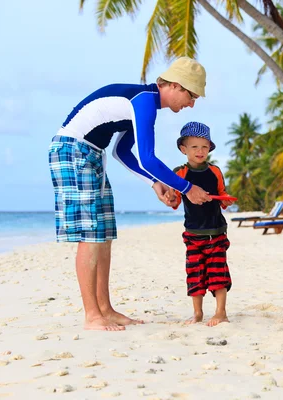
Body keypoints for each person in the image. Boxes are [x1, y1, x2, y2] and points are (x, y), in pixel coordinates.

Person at [48, 57, 212, 331]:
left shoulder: (145, 104)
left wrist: (154, 184)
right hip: (72, 150)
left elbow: (122, 152)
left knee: (104, 234)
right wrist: (187, 188)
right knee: (91, 234)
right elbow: (147, 159)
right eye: (191, 95)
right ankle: (92, 315)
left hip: (92, 154)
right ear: (173, 85)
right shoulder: (144, 101)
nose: (192, 104)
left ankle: (105, 309)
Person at [166, 122, 234, 327]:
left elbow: (222, 198)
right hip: (193, 234)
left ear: (210, 149)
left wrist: (226, 201)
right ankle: (197, 313)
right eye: (194, 147)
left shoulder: (215, 171)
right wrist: (170, 197)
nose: (200, 151)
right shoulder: (179, 173)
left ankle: (221, 312)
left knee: (217, 272)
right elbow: (175, 201)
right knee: (195, 274)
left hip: (216, 232)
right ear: (183, 149)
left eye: (204, 146)